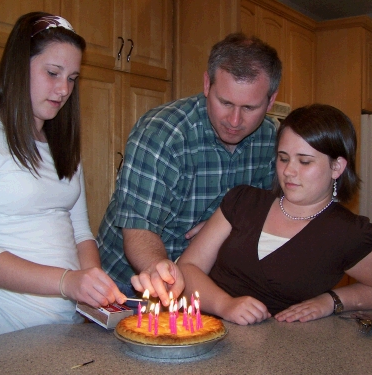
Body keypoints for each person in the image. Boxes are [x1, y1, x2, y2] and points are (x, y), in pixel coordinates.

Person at [0, 12, 125, 346]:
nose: (64, 90)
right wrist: (68, 282)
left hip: (63, 332)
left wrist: (91, 282)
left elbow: (81, 232)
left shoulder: (62, 146)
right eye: (52, 73)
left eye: (72, 78)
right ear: (18, 67)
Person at [97, 33, 282, 307]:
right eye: (225, 102)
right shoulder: (163, 133)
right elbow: (139, 227)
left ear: (270, 102)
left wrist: (225, 227)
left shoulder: (270, 140)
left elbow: (272, 211)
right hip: (129, 287)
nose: (234, 120)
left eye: (249, 108)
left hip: (206, 286)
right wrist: (159, 269)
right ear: (207, 84)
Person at [177, 104, 372, 325]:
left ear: (337, 167)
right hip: (198, 331)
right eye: (283, 158)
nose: (288, 171)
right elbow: (188, 269)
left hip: (274, 354)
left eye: (304, 161)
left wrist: (331, 301)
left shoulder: (351, 233)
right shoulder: (243, 202)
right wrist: (225, 305)